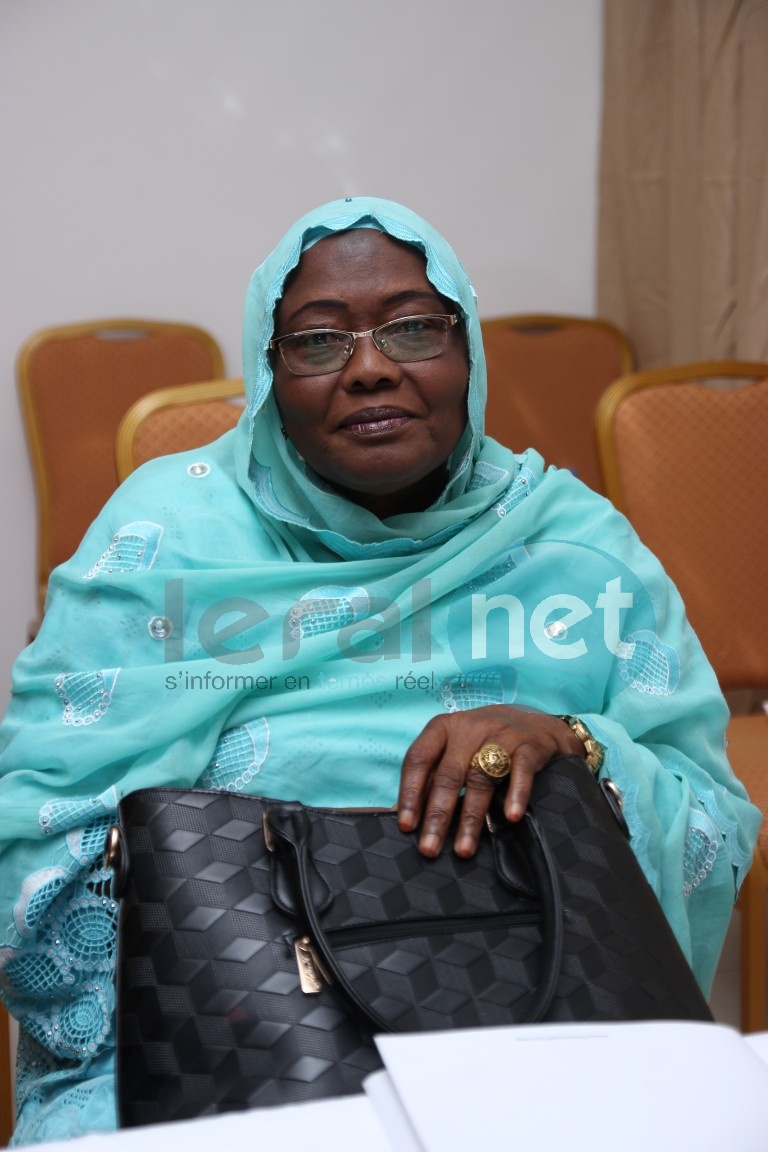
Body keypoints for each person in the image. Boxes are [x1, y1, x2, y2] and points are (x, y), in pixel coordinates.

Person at [0, 197, 760, 1144]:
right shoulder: (167, 541)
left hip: (541, 1015)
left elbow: (709, 815)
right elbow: (44, 830)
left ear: (467, 350)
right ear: (268, 374)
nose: (369, 367)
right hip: (224, 1025)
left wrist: (572, 743)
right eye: (318, 341)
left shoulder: (576, 548)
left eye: (412, 327)